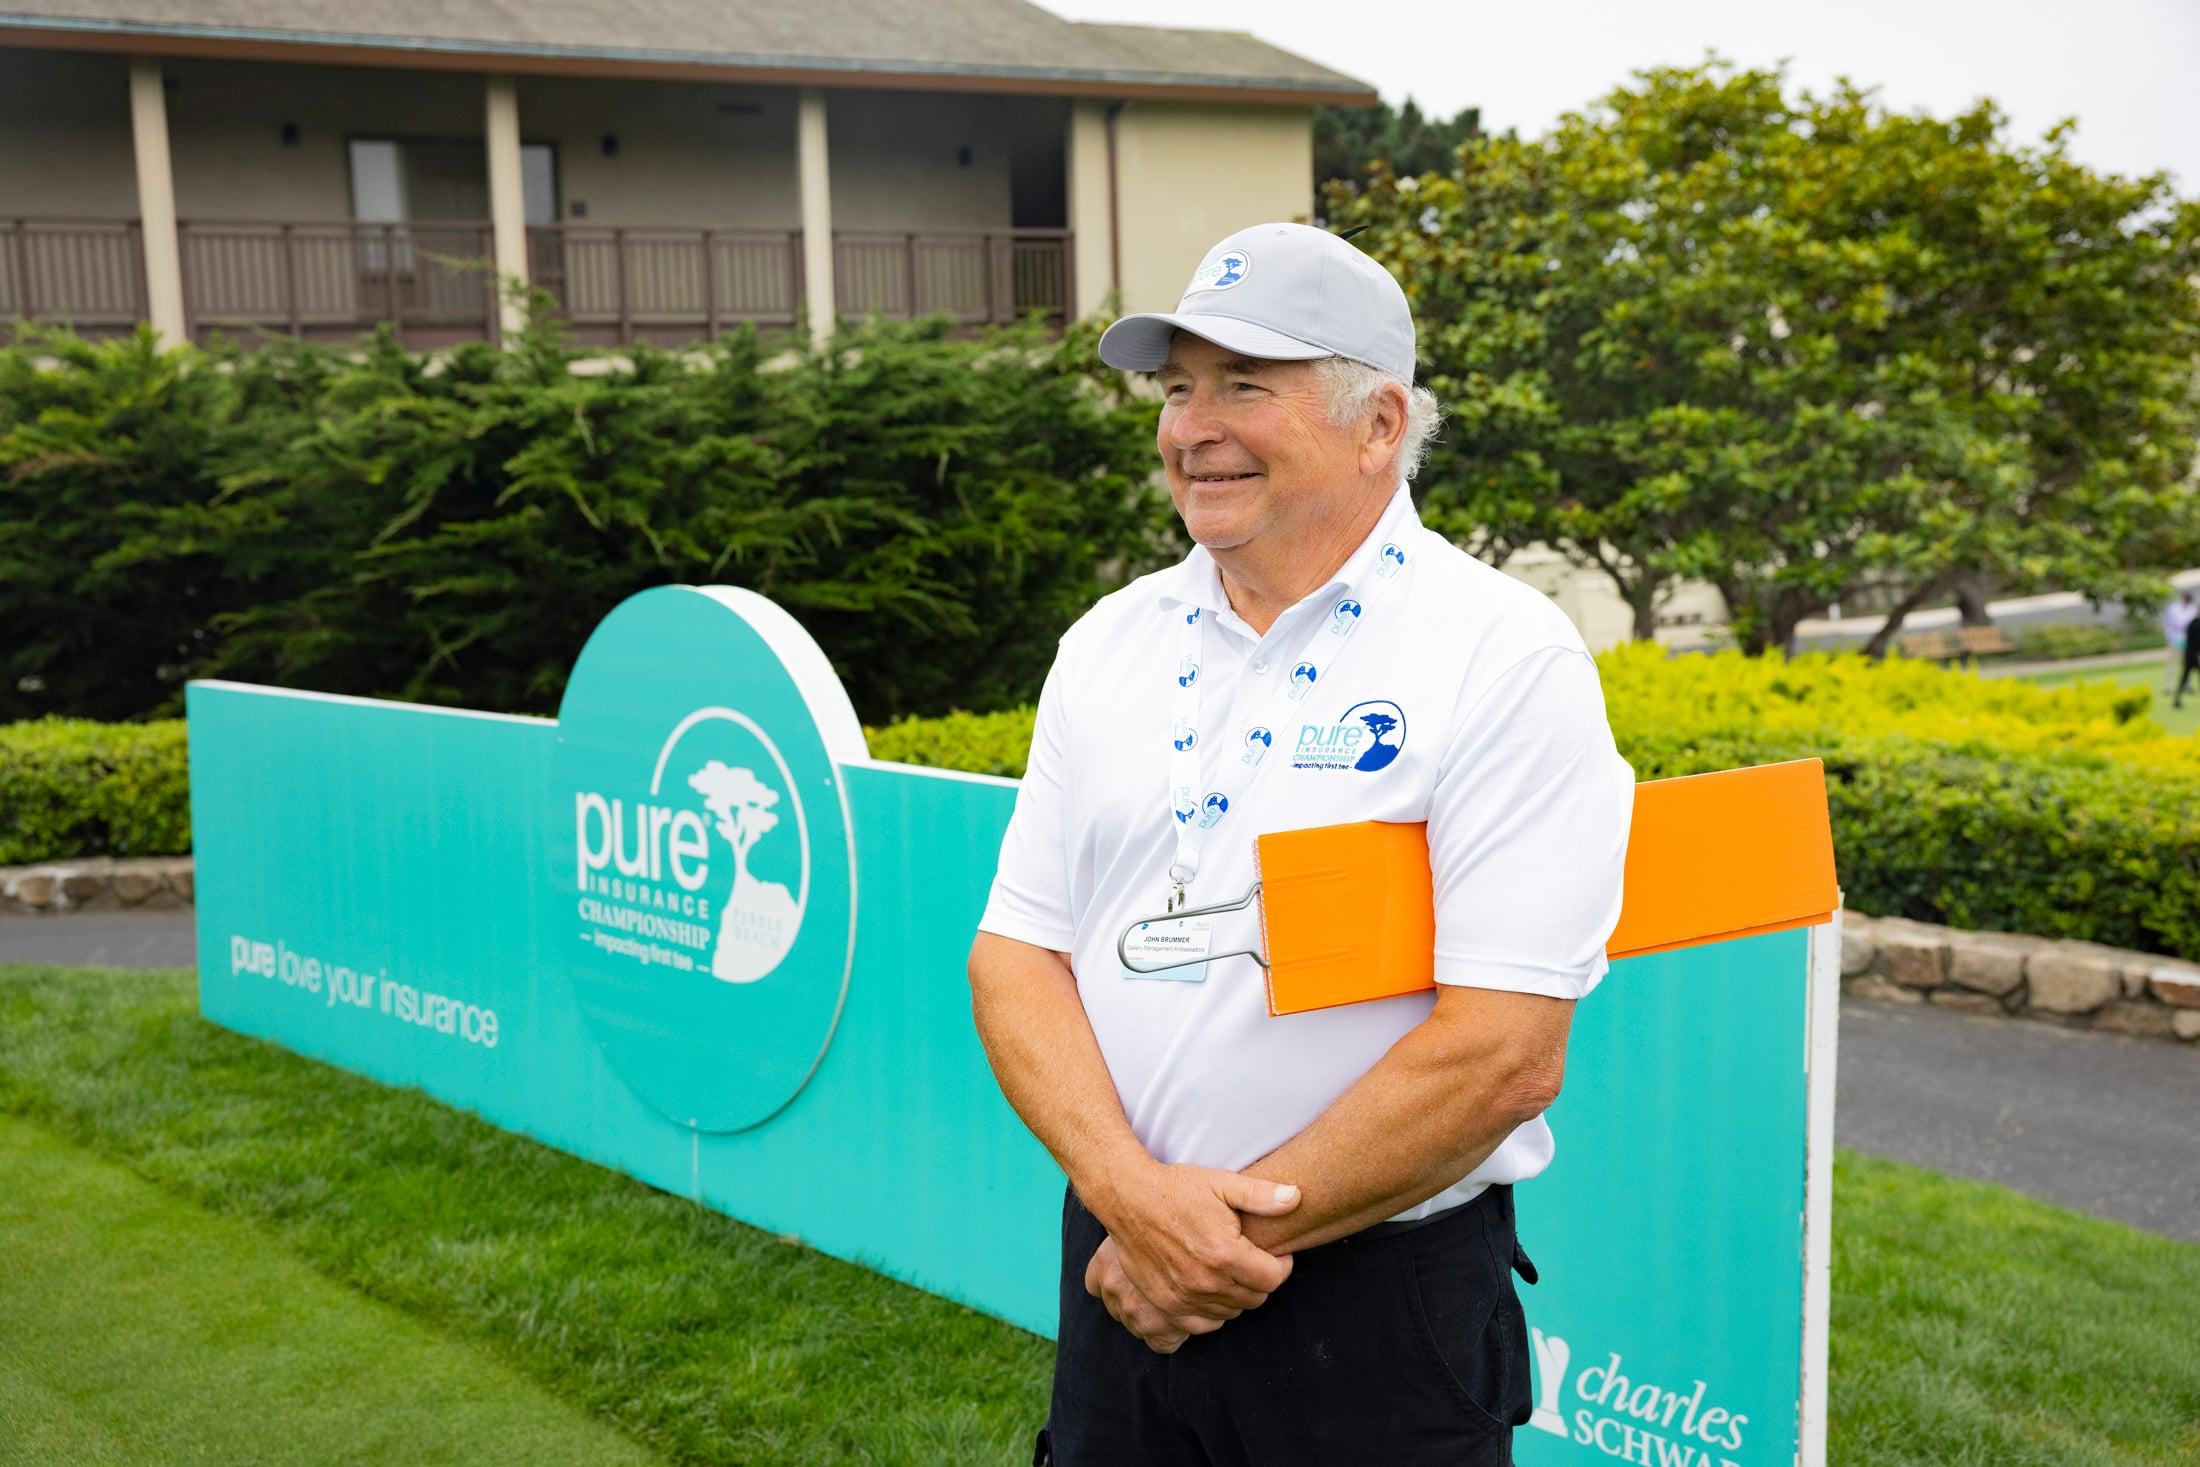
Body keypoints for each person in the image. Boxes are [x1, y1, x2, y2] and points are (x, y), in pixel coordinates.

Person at [967, 222, 1635, 1466]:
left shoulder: (1502, 657)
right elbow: (1016, 955)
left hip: (1370, 1313)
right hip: (1121, 1262)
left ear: (1379, 424)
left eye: (1243, 386)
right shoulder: (1106, 642)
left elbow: (1501, 1054)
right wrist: (1130, 1199)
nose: (1191, 428)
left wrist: (1210, 1244)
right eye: (1177, 389)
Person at [2163, 590, 2196, 700]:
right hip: (2175, 640)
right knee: (2172, 663)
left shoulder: (2191, 609)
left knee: (2187, 663)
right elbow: (2174, 624)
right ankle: (2168, 686)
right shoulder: (2174, 608)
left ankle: (2187, 685)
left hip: (2188, 641)